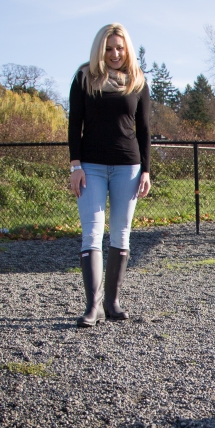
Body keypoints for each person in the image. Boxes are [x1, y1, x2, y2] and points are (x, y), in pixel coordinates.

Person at [68, 23, 151, 328]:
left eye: (119, 47)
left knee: (121, 232)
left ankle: (112, 303)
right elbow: (74, 123)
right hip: (90, 167)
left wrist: (146, 170)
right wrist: (75, 166)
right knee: (92, 232)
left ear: (126, 48)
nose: (115, 53)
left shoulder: (137, 81)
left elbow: (143, 130)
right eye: (108, 48)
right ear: (99, 50)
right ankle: (93, 306)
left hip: (128, 167)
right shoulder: (84, 78)